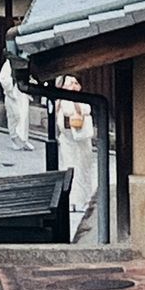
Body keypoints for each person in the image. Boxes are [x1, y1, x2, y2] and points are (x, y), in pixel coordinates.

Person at [55, 77, 97, 214]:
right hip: (67, 139)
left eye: (75, 83)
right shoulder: (60, 100)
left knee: (83, 169)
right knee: (69, 167)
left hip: (81, 140)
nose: (72, 86)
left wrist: (74, 99)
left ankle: (84, 200)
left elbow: (85, 110)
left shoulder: (82, 100)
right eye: (69, 84)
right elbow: (60, 112)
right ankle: (71, 201)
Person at [0, 56, 33, 151]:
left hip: (22, 92)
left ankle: (24, 139)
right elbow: (3, 78)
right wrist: (10, 89)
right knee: (14, 116)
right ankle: (15, 139)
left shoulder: (26, 62)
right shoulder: (8, 63)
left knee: (24, 116)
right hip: (13, 92)